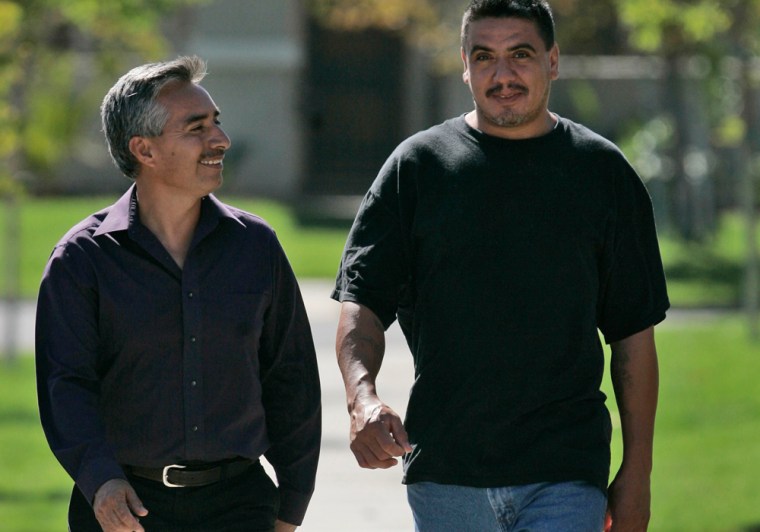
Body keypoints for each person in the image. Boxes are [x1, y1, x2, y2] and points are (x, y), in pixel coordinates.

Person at [332, 0, 669, 530]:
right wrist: (362, 398)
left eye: (521, 55)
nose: (503, 74)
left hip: (566, 471)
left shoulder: (602, 174)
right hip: (446, 471)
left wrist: (638, 471)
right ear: (464, 64)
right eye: (484, 56)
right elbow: (363, 301)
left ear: (553, 61)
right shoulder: (417, 168)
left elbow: (632, 337)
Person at [36, 56, 321, 532]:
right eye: (196, 128)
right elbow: (66, 387)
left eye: (216, 123)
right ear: (144, 150)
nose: (220, 140)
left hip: (240, 508)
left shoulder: (256, 247)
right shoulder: (82, 260)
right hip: (122, 511)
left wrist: (292, 503)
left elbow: (290, 377)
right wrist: (100, 479)